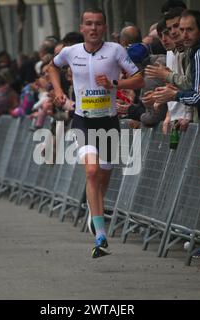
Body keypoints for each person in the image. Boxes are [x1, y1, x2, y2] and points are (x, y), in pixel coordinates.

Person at [48, 8, 145, 259]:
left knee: (103, 177)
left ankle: (95, 211)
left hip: (109, 121)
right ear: (82, 28)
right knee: (91, 171)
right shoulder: (71, 52)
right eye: (88, 24)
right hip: (82, 120)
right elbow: (51, 67)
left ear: (104, 27)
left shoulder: (115, 51)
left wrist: (115, 84)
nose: (93, 28)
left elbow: (139, 79)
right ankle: (101, 235)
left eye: (98, 24)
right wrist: (58, 90)